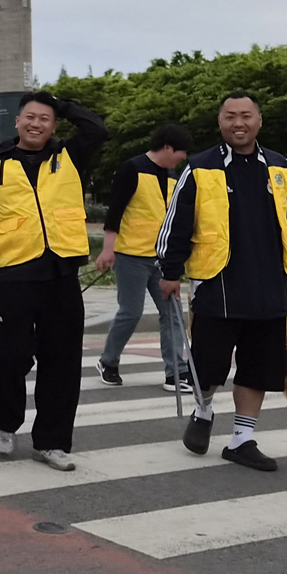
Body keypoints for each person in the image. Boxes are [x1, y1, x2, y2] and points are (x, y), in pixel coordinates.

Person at [158, 92, 287, 473]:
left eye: (246, 116)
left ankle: (242, 439)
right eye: (230, 116)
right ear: (220, 121)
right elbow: (175, 223)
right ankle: (204, 409)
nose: (238, 123)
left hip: (270, 284)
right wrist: (169, 271)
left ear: (259, 120)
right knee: (208, 366)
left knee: (259, 368)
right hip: (218, 283)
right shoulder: (199, 168)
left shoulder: (281, 168)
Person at [0, 91, 108, 470]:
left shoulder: (68, 157)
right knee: (11, 354)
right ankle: (6, 422)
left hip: (62, 273)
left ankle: (52, 442)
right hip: (17, 273)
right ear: (17, 122)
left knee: (62, 360)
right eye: (30, 117)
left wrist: (63, 103)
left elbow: (98, 129)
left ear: (54, 124)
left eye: (45, 118)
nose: (36, 123)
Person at [95, 124, 194, 393]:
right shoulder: (132, 168)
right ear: (167, 147)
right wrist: (108, 249)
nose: (183, 157)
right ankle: (108, 361)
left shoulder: (174, 175)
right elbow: (115, 211)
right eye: (181, 151)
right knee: (131, 312)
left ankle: (176, 373)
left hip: (163, 259)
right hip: (131, 255)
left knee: (172, 313)